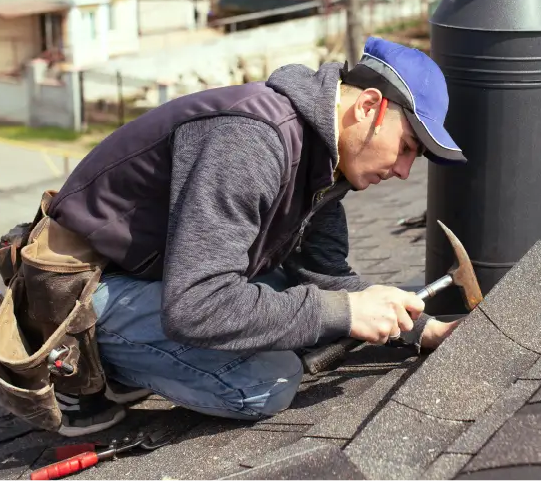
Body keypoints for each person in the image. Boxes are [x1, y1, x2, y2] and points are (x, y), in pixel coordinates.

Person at [45, 37, 468, 436]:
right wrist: (342, 312)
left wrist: (422, 328)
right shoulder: (251, 139)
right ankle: (86, 367)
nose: (404, 171)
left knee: (310, 309)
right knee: (269, 380)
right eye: (408, 146)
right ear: (369, 106)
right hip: (82, 293)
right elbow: (197, 305)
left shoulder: (324, 162)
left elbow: (324, 279)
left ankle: (148, 356)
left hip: (159, 280)